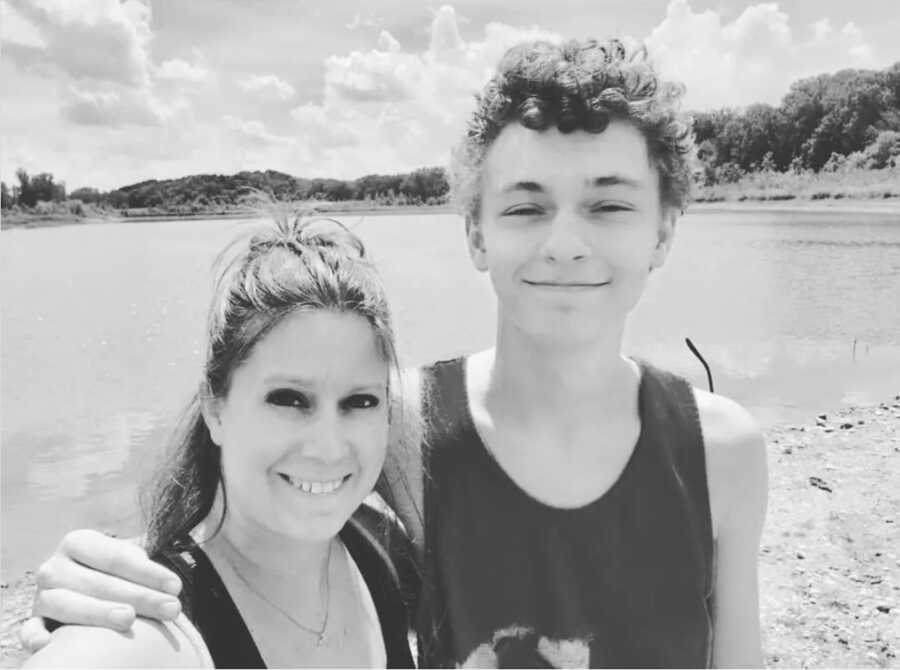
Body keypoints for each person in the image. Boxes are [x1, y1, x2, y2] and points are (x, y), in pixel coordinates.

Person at [21, 38, 768, 668]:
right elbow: (243, 509)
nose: (565, 242)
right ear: (476, 232)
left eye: (609, 204)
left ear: (665, 228)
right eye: (525, 205)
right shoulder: (395, 422)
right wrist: (93, 578)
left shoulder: (720, 452)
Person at [22, 213, 418, 668]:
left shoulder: (380, 549)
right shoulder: (157, 623)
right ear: (215, 407)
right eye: (289, 399)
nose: (328, 447)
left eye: (360, 402)